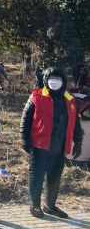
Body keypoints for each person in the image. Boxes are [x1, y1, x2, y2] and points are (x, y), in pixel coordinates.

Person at [20, 67, 83, 218]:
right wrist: (24, 138)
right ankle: (34, 205)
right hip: (39, 144)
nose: (55, 81)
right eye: (52, 78)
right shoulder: (37, 96)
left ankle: (50, 206)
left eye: (58, 79)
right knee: (36, 175)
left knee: (54, 177)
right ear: (45, 79)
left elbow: (75, 122)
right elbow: (26, 118)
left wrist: (78, 141)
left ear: (64, 81)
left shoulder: (69, 98)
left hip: (60, 146)